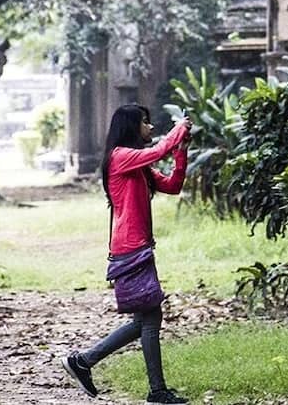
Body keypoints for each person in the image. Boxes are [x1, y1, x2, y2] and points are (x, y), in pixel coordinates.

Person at [61, 104, 191, 404]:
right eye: (146, 123)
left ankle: (84, 362)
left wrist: (181, 149)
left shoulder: (137, 165)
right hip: (131, 249)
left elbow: (173, 185)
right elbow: (159, 150)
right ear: (132, 127)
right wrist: (179, 128)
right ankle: (155, 390)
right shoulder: (121, 157)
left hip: (137, 247)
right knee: (149, 317)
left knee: (144, 320)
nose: (150, 128)